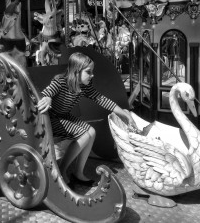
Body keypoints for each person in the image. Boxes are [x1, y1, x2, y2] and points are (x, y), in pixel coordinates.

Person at [37, 52, 138, 186]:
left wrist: (125, 114)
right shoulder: (60, 81)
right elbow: (47, 92)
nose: (92, 75)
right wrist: (48, 97)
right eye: (88, 72)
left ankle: (78, 172)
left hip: (63, 117)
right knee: (84, 135)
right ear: (76, 71)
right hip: (52, 119)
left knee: (91, 132)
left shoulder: (84, 86)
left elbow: (101, 99)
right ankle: (61, 170)